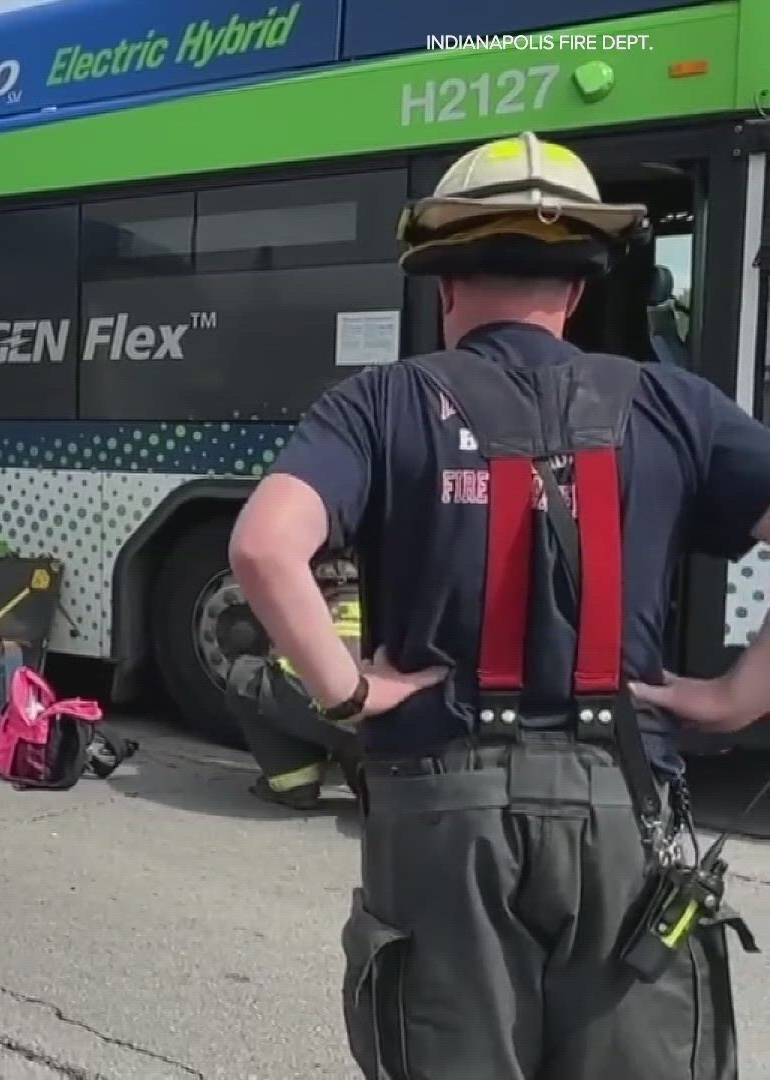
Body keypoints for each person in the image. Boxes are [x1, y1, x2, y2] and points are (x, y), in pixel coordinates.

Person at [228, 131, 763, 1078]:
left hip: (441, 813)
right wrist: (732, 700)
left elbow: (265, 547)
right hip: (626, 809)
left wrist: (349, 694)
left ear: (444, 287)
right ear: (577, 291)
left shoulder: (380, 404)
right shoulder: (676, 405)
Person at [228, 570, 366, 810]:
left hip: (352, 730)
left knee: (247, 676)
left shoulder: (301, 598)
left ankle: (294, 784)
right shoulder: (400, 597)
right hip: (405, 753)